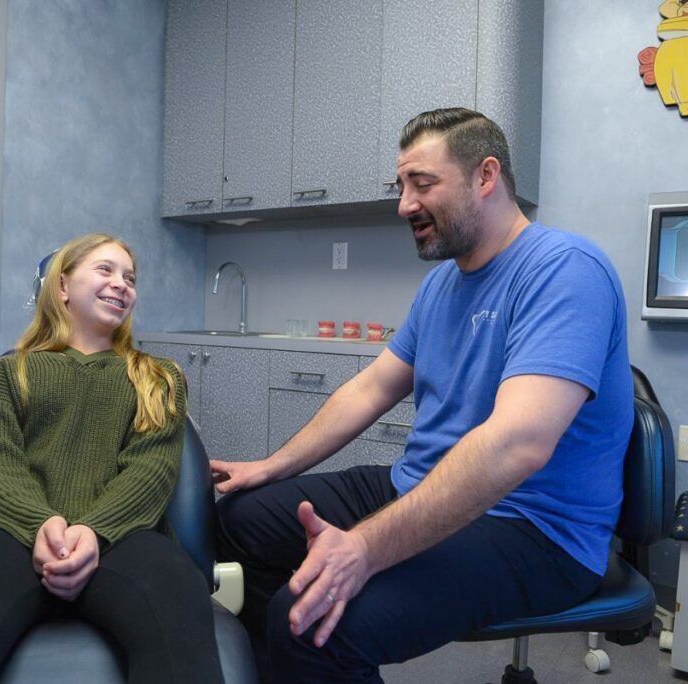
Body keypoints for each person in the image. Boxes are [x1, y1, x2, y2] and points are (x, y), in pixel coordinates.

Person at [211, 108, 634, 683]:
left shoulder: (564, 270)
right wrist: (272, 466)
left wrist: (364, 548)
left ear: (486, 177)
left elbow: (518, 445)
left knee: (309, 621)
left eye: (422, 183)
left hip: (535, 530)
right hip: (423, 484)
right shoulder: (441, 285)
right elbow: (370, 389)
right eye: (402, 185)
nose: (404, 204)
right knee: (240, 519)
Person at [0, 233, 225, 683]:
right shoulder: (10, 373)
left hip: (123, 539)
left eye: (130, 277)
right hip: (14, 538)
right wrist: (41, 525)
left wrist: (93, 530)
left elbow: (150, 471)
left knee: (176, 590)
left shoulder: (158, 378)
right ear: (62, 286)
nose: (122, 284)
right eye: (105, 270)